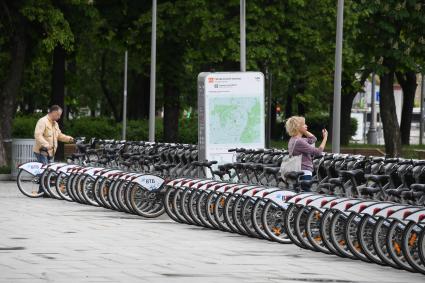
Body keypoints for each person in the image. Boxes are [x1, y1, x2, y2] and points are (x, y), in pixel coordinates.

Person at [33, 105, 74, 195]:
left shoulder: (55, 124)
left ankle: (43, 191)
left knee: (48, 171)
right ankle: (43, 190)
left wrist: (69, 139)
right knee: (45, 171)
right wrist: (46, 144)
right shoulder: (42, 121)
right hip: (41, 151)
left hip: (51, 152)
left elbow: (59, 135)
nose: (59, 117)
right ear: (53, 112)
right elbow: (37, 135)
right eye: (58, 115)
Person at [285, 116, 328, 191]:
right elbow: (318, 152)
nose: (306, 126)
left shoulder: (293, 139)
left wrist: (303, 130)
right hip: (304, 172)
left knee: (299, 196)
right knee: (305, 195)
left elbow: (313, 139)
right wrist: (325, 138)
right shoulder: (299, 141)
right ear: (298, 127)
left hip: (297, 170)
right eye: (304, 124)